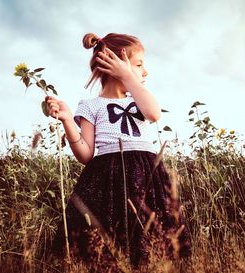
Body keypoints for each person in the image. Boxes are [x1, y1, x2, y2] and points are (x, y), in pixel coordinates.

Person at [48, 33, 191, 267]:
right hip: (107, 177)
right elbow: (85, 154)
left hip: (144, 176)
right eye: (139, 65)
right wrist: (66, 120)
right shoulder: (91, 105)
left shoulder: (138, 99)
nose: (145, 72)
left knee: (147, 236)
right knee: (109, 242)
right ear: (113, 62)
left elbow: (154, 114)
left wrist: (128, 75)